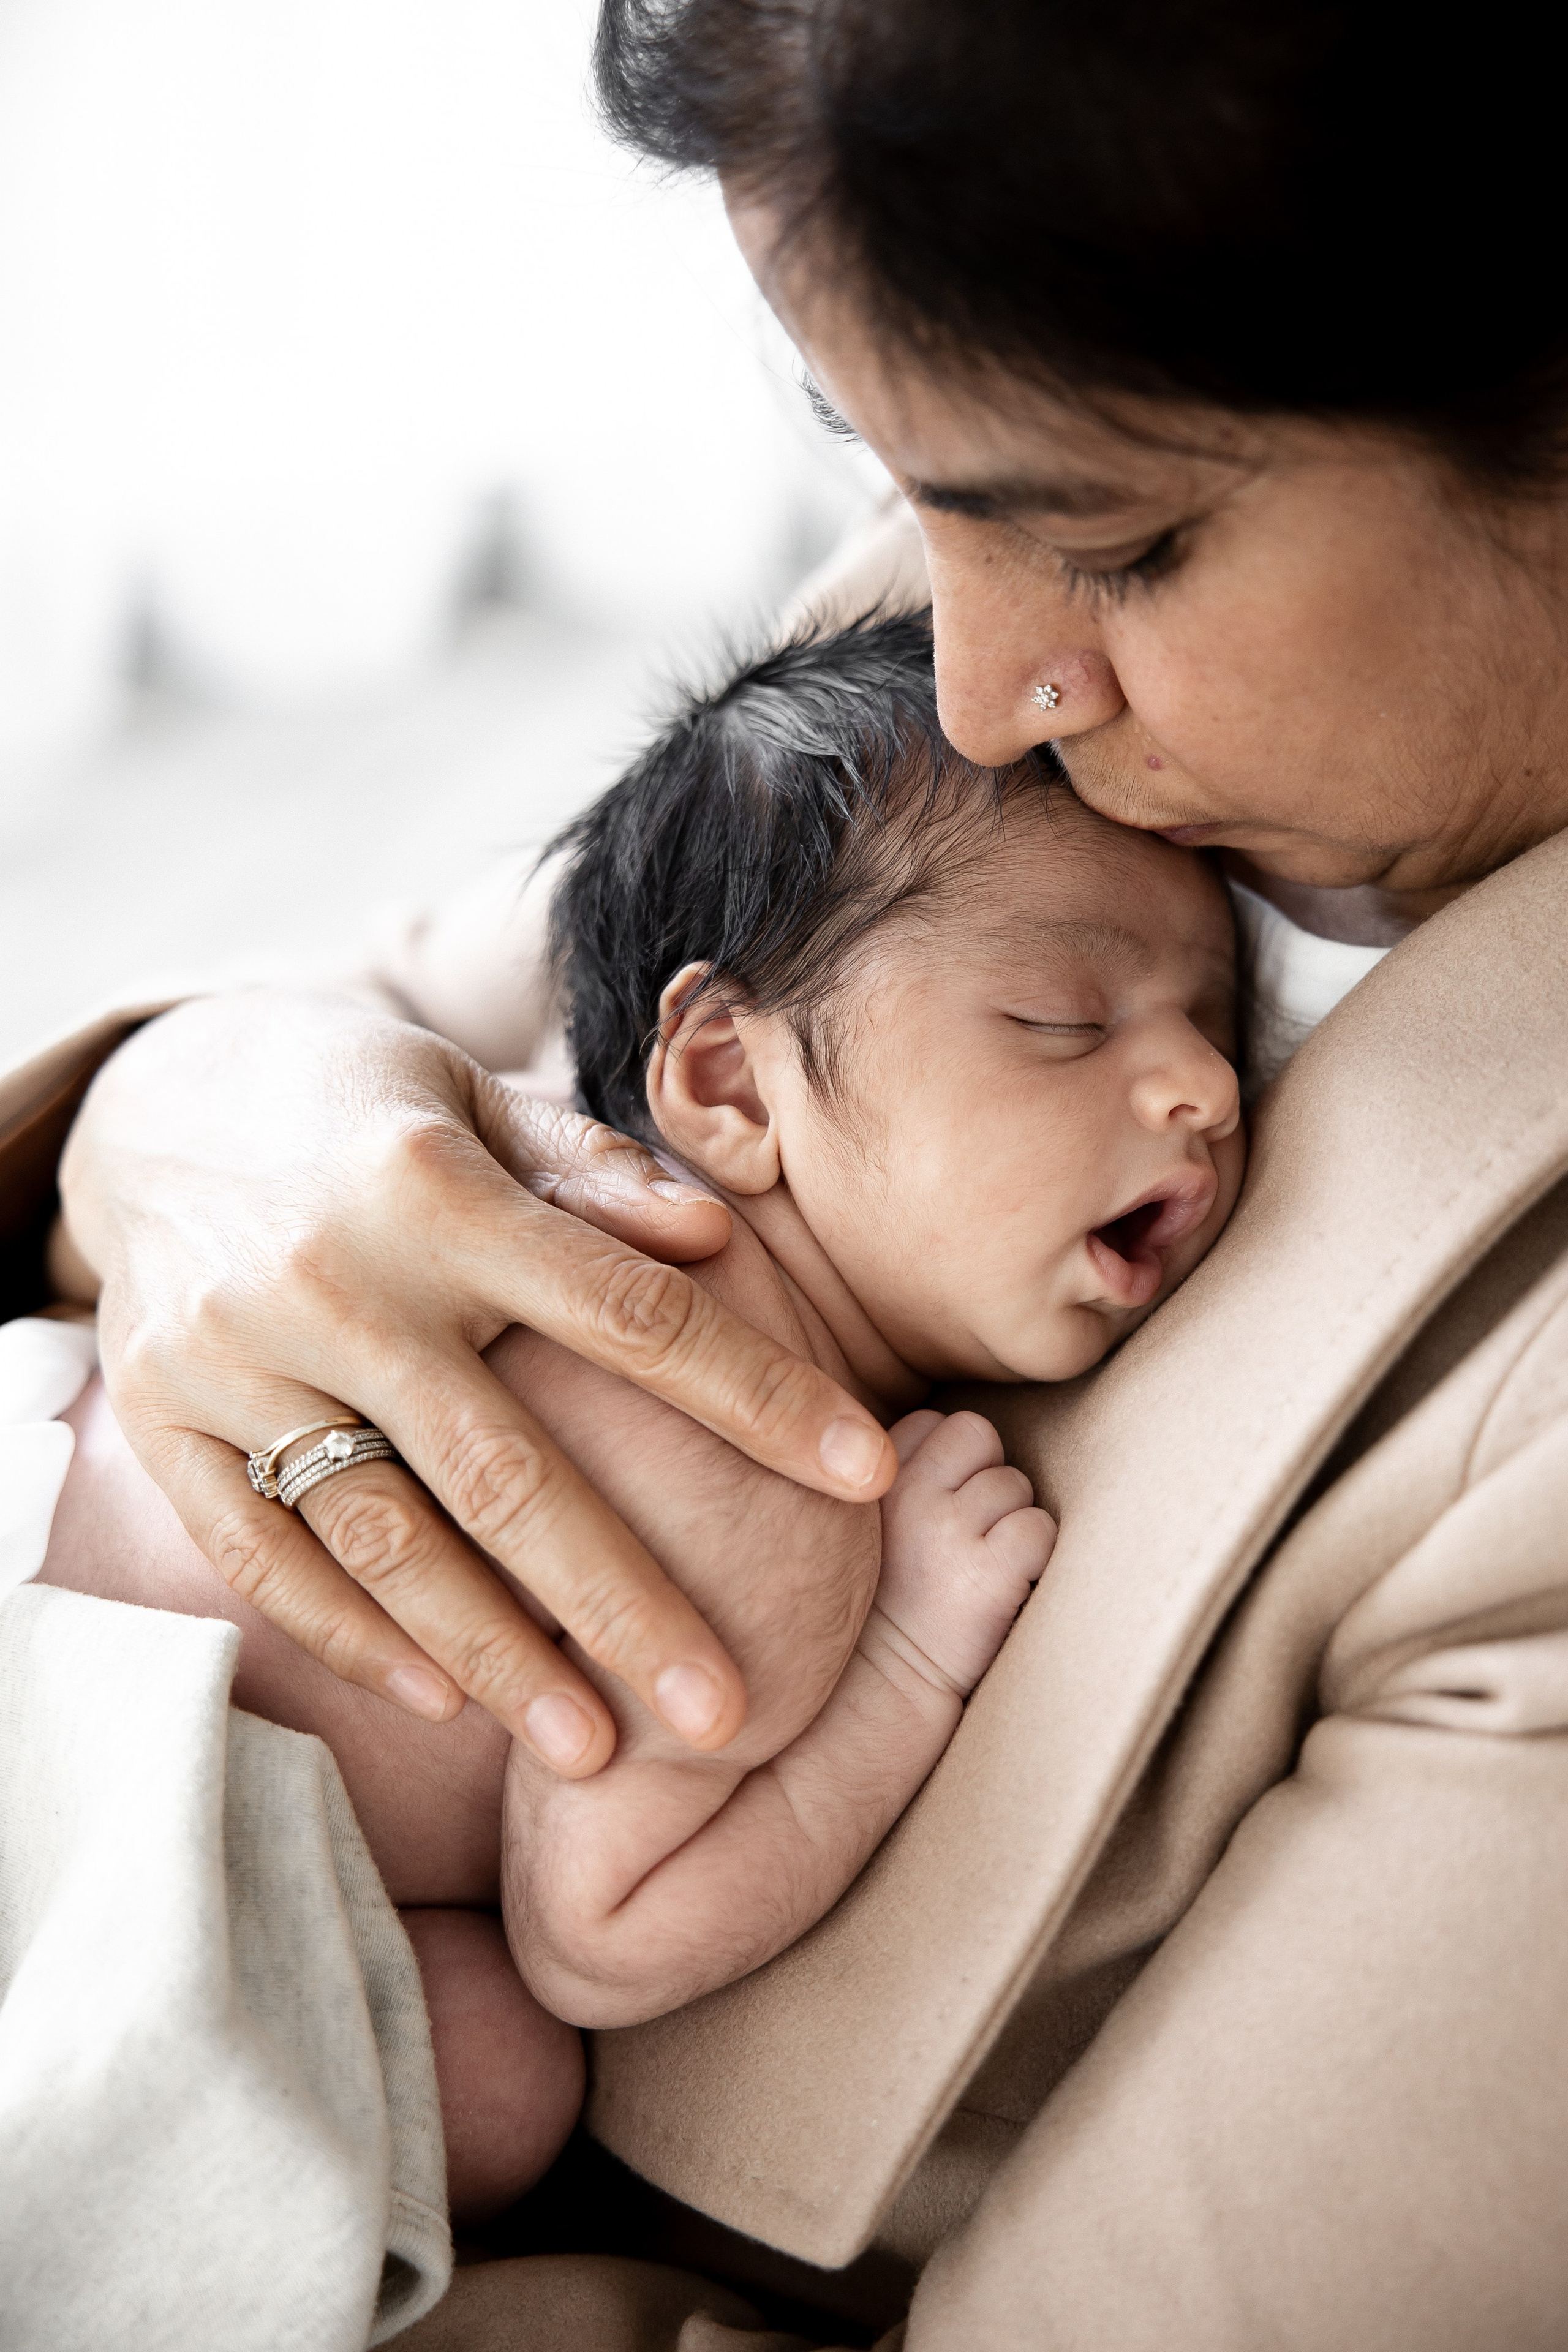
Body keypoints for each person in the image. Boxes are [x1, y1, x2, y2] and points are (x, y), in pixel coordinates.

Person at [7, 0, 1568, 2342]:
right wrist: (201, 1121)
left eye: (1119, 544)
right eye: (884, 468)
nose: (966, 674)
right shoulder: (1020, 586)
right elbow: (415, 996)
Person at [34, 614, 1237, 2223]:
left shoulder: (500, 1173)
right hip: (73, 1768)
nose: (1207, 1091)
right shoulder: (784, 1484)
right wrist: (906, 1662)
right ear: (726, 1080)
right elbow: (599, 1935)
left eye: (1221, 1028)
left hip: (55, 1477)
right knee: (506, 2085)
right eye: (1062, 1026)